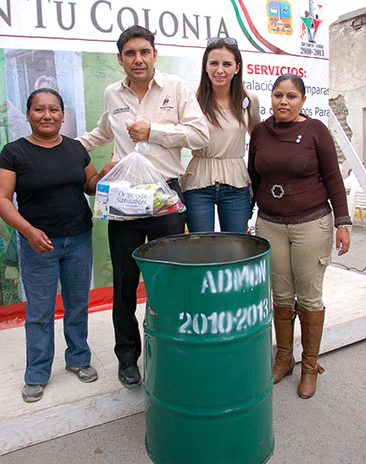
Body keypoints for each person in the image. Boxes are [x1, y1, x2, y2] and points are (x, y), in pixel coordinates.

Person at [77, 25, 209, 388]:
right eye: (130, 53)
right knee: (124, 282)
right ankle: (128, 359)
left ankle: (170, 352)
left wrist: (154, 131)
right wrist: (61, 145)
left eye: (144, 52)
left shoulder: (177, 89)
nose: (138, 59)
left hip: (166, 195)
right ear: (120, 59)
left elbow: (200, 135)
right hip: (124, 197)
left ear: (155, 54)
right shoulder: (111, 94)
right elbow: (102, 132)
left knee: (169, 282)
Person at [0, 88, 113, 403]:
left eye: (53, 109)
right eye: (39, 110)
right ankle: (36, 373)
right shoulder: (14, 152)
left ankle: (78, 357)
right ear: (28, 115)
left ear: (63, 114)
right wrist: (28, 231)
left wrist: (102, 176)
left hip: (78, 239)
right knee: (39, 311)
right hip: (39, 244)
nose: (46, 115)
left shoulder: (75, 149)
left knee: (77, 304)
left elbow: (89, 186)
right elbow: (2, 199)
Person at [248, 73, 351, 399]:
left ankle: (309, 365)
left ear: (303, 100)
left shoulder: (315, 130)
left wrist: (343, 223)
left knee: (308, 298)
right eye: (278, 95)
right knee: (280, 296)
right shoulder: (261, 131)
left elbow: (334, 178)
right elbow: (253, 175)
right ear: (272, 97)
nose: (283, 102)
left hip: (312, 224)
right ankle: (284, 357)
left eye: (291, 96)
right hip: (271, 225)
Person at [181, 37, 260, 232]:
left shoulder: (249, 99)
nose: (220, 70)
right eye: (214, 63)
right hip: (198, 182)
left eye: (227, 64)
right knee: (202, 249)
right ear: (205, 67)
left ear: (237, 68)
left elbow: (260, 141)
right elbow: (176, 136)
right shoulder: (192, 99)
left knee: (236, 248)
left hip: (236, 183)